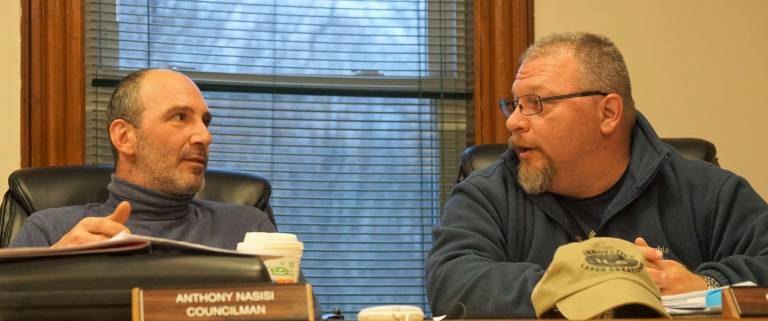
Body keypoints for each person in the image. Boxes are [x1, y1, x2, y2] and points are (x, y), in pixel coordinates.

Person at [425, 32, 768, 318]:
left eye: (535, 103)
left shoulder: (706, 190)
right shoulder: (487, 194)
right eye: (514, 104)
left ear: (608, 112)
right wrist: (591, 282)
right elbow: (451, 281)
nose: (513, 122)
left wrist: (707, 285)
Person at [9, 68, 276, 249]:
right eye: (180, 117)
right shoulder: (49, 232)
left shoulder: (250, 229)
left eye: (205, 122)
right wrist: (49, 269)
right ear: (124, 137)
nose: (204, 136)